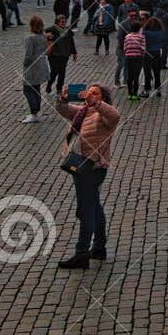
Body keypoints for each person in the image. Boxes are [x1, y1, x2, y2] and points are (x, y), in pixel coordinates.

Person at [55, 83, 121, 268]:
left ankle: (81, 253)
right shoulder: (84, 111)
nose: (90, 95)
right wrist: (62, 98)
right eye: (89, 92)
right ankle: (99, 247)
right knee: (94, 206)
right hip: (81, 165)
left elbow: (115, 115)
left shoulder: (104, 115)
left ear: (103, 98)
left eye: (95, 93)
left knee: (86, 210)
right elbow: (64, 110)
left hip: (93, 168)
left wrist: (96, 103)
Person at [21, 14, 49, 122]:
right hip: (42, 64)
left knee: (27, 89)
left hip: (32, 67)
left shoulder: (30, 38)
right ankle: (36, 111)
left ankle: (34, 113)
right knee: (36, 88)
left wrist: (25, 64)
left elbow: (28, 55)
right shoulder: (43, 36)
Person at [45, 15, 77, 95]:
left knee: (62, 72)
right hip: (54, 55)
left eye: (65, 22)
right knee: (54, 71)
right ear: (57, 22)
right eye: (62, 22)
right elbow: (45, 38)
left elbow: (71, 42)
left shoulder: (68, 31)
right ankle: (49, 85)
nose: (64, 23)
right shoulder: (51, 30)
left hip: (64, 55)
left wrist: (74, 53)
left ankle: (59, 88)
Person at [122, 17, 146, 101]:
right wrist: (142, 56)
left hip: (129, 57)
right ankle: (135, 95)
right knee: (136, 76)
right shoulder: (141, 36)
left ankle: (129, 94)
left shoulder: (127, 36)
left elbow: (125, 48)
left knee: (130, 76)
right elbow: (143, 48)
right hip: (138, 58)